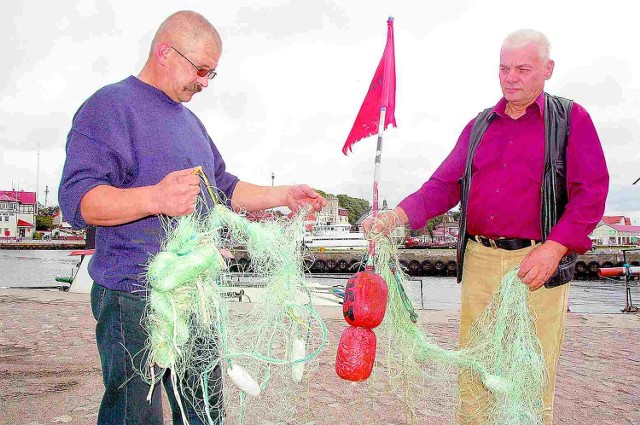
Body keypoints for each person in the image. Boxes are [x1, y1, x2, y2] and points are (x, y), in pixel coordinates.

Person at [58, 10, 326, 425]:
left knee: (203, 408)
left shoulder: (191, 122)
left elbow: (225, 186)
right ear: (165, 52)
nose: (204, 82)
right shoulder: (108, 107)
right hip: (133, 294)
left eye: (211, 74)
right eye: (201, 70)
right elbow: (78, 202)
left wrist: (284, 195)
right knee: (134, 413)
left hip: (196, 293)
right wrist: (155, 197)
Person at [364, 29, 608, 424]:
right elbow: (443, 186)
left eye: (523, 68)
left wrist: (556, 247)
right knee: (475, 372)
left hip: (538, 263)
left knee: (532, 372)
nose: (511, 77)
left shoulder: (571, 119)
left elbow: (591, 192)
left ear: (548, 69)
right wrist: (395, 217)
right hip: (479, 260)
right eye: (504, 68)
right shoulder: (479, 126)